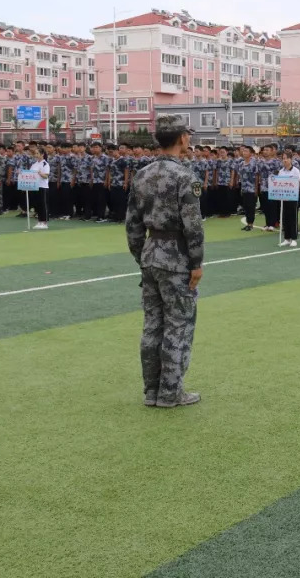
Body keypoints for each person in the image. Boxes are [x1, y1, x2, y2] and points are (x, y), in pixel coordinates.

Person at [125, 114, 204, 409]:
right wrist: (196, 263)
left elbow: (132, 224)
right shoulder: (185, 176)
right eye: (188, 135)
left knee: (152, 325)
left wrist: (141, 255)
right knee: (178, 325)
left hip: (150, 253)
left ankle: (152, 391)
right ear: (182, 138)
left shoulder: (142, 174)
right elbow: (193, 226)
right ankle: (171, 392)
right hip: (177, 257)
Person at [276, 154, 300, 247]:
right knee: (284, 218)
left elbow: (297, 181)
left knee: (293, 218)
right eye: (283, 159)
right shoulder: (281, 171)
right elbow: (278, 183)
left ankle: (294, 238)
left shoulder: (295, 171)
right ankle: (287, 238)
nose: (285, 160)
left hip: (292, 198)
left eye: (287, 158)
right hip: (283, 198)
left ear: (291, 159)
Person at [27, 146, 50, 229]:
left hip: (42, 187)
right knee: (37, 205)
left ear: (42, 154)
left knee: (43, 205)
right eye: (35, 153)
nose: (36, 155)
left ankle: (44, 222)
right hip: (35, 186)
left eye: (37, 153)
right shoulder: (34, 164)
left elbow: (46, 176)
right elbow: (30, 174)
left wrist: (40, 173)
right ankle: (39, 221)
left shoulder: (45, 164)